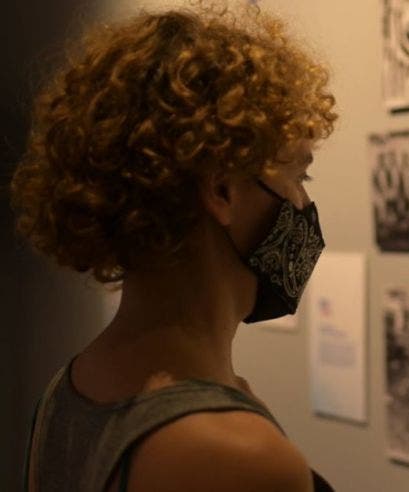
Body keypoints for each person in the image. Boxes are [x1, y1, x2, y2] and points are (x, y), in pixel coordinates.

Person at [12, 7, 337, 492]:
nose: (303, 203)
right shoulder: (232, 454)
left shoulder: (71, 387)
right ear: (223, 190)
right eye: (298, 175)